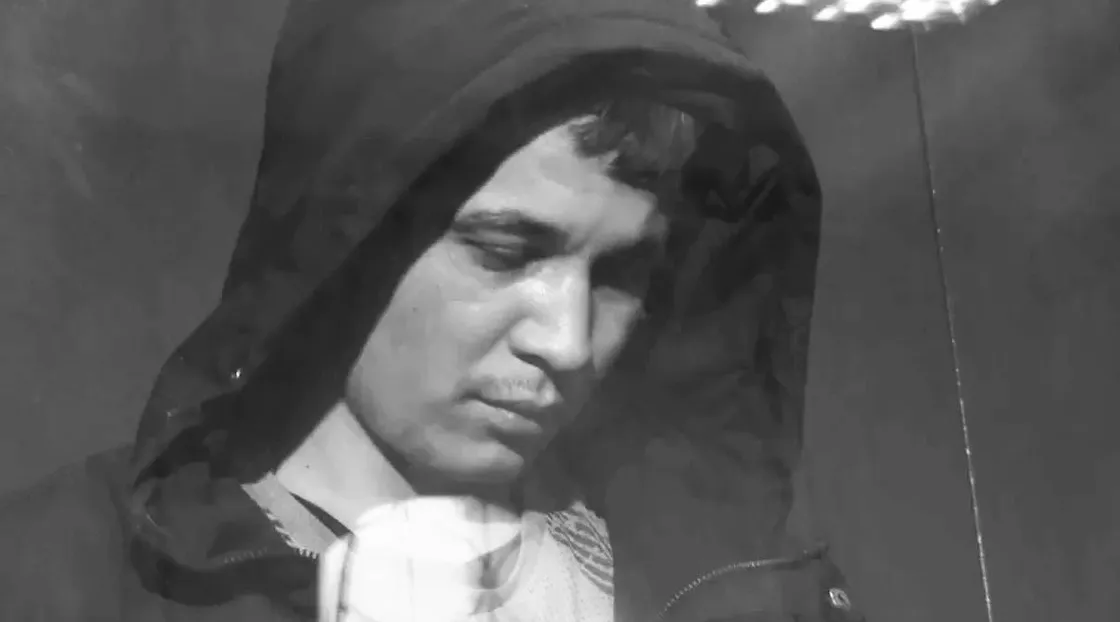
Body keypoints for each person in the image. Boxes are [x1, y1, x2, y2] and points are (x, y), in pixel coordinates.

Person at [0, 0, 865, 621]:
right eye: (503, 250)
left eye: (621, 271)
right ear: (348, 234)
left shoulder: (733, 581)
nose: (566, 342)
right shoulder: (60, 578)